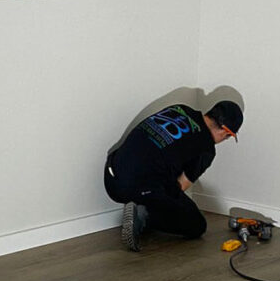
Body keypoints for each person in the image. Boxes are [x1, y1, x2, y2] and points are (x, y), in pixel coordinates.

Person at [104, 100, 243, 251]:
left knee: (162, 169)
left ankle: (140, 204)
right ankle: (144, 212)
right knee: (197, 225)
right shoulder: (206, 149)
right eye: (229, 137)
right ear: (225, 131)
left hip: (111, 175)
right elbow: (180, 187)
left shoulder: (180, 109)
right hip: (131, 188)